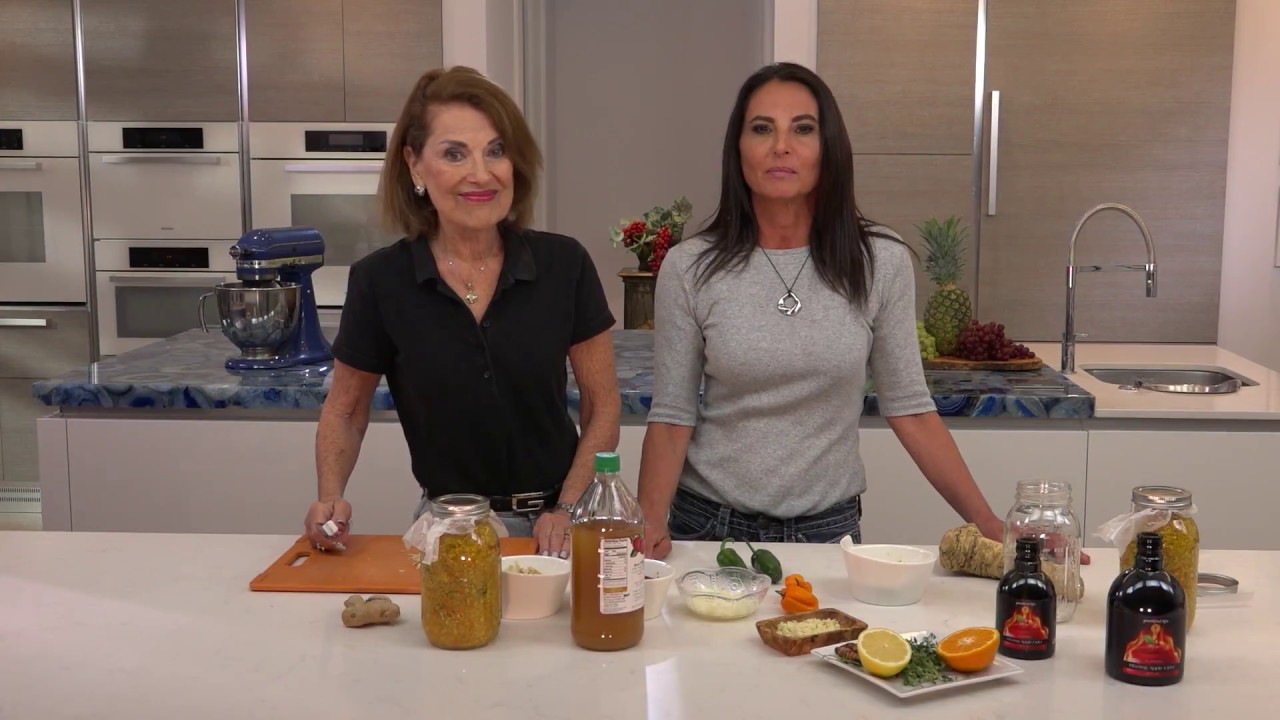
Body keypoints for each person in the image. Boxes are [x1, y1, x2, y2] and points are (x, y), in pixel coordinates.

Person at [637, 62, 1005, 560]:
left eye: (803, 129)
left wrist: (989, 524)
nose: (781, 146)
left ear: (828, 149)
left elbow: (912, 411)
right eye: (761, 128)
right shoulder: (690, 266)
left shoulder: (880, 261)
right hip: (708, 528)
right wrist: (647, 526)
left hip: (829, 532)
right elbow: (671, 416)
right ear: (738, 149)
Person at [305, 66, 620, 558]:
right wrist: (330, 496)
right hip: (447, 529)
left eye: (496, 151)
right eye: (455, 154)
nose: (481, 173)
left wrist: (568, 508)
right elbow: (345, 411)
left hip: (557, 525)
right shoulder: (380, 280)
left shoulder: (565, 264)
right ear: (414, 165)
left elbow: (603, 408)